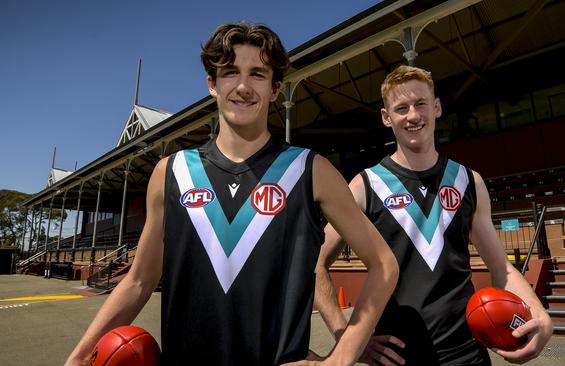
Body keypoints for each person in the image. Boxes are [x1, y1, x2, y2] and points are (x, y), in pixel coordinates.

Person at [65, 22, 398, 366]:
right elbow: (139, 280)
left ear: (275, 89)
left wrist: (341, 357)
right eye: (229, 72)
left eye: (257, 74)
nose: (242, 86)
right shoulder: (172, 172)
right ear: (212, 83)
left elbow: (384, 264)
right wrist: (77, 358)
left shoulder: (310, 170)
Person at [314, 65, 553, 365]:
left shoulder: (468, 181)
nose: (413, 115)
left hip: (468, 354)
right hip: (397, 358)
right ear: (387, 118)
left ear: (436, 107)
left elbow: (500, 268)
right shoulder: (365, 186)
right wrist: (345, 339)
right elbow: (316, 262)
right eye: (401, 108)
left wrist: (538, 312)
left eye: (420, 104)